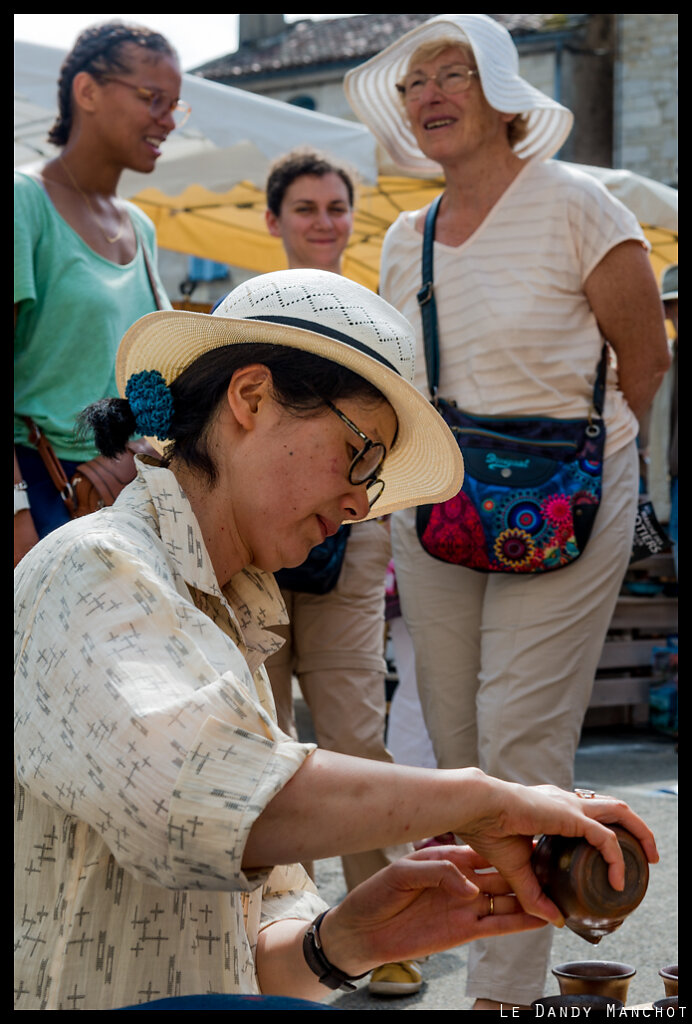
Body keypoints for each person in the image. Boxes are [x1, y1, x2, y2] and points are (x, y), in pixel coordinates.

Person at [14, 268, 659, 1011]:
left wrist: (349, 939)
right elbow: (194, 799)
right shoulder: (93, 565)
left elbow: (247, 967)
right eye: (360, 453)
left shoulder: (233, 623)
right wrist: (479, 799)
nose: (359, 500)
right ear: (251, 398)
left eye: (374, 477)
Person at [344, 13, 671, 1010]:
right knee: (459, 758)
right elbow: (396, 382)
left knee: (519, 744)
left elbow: (644, 360)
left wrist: (628, 481)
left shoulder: (579, 203)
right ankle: (513, 953)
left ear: (502, 95)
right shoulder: (405, 236)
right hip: (438, 507)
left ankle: (503, 997)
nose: (429, 95)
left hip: (571, 496)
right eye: (414, 83)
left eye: (453, 75)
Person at [264, 149, 419, 996]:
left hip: (354, 541)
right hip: (255, 550)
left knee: (356, 730)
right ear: (275, 220)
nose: (322, 220)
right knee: (265, 737)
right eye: (306, 207)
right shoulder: (245, 311)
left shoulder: (382, 317)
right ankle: (277, 927)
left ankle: (387, 924)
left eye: (334, 207)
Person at [14, 20, 188, 566]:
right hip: (43, 489)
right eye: (152, 99)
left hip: (124, 495)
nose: (167, 120)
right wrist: (17, 508)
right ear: (86, 91)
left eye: (175, 106)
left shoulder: (140, 226)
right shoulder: (25, 201)